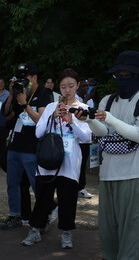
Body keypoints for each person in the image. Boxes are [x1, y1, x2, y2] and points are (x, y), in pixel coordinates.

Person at [86, 51, 139, 260]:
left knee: (132, 221)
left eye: (126, 74)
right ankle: (110, 256)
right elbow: (103, 132)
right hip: (108, 169)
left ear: (138, 76)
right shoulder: (108, 100)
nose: (121, 78)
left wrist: (109, 119)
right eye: (118, 74)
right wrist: (88, 119)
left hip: (133, 170)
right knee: (108, 220)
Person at [23, 68, 92, 249]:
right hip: (48, 160)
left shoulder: (83, 109)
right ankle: (35, 229)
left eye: (71, 86)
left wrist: (72, 121)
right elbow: (38, 133)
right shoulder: (52, 107)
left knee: (68, 198)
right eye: (63, 87)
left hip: (70, 162)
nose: (67, 90)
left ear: (77, 85)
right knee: (43, 197)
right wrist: (53, 117)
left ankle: (66, 233)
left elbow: (86, 138)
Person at [1, 63, 53, 230]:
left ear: (35, 78)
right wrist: (11, 95)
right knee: (12, 184)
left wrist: (24, 104)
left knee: (36, 185)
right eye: (20, 80)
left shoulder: (45, 93)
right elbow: (7, 115)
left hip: (33, 148)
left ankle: (42, 218)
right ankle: (15, 215)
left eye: (26, 80)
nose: (23, 83)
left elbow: (41, 120)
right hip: (15, 145)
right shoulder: (18, 93)